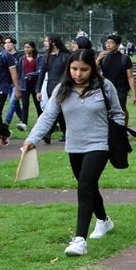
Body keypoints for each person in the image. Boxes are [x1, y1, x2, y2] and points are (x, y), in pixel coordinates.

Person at [24, 49, 123, 256]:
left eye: (84, 69)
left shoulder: (105, 87)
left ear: (93, 69)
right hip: (74, 146)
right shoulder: (62, 89)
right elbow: (48, 116)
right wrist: (32, 139)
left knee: (85, 186)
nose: (78, 74)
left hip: (99, 144)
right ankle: (104, 221)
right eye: (74, 69)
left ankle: (79, 240)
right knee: (88, 186)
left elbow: (117, 113)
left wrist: (117, 137)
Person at [37, 35, 71, 143]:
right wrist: (38, 90)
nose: (45, 43)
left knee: (56, 110)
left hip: (63, 88)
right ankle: (65, 132)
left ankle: (48, 132)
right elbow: (41, 74)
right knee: (59, 111)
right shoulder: (46, 57)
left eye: (47, 41)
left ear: (54, 43)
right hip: (50, 88)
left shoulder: (65, 56)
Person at [98, 34, 136, 126]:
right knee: (106, 109)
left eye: (111, 43)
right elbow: (94, 71)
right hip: (106, 87)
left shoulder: (125, 59)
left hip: (121, 88)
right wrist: (98, 59)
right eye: (107, 43)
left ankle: (123, 128)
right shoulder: (103, 57)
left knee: (121, 108)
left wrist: (134, 95)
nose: (108, 45)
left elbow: (130, 77)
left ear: (118, 45)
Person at [16, 41, 44, 131]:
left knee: (38, 104)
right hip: (24, 85)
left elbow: (40, 71)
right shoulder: (22, 59)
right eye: (25, 47)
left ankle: (41, 122)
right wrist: (18, 84)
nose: (26, 49)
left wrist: (30, 75)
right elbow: (19, 72)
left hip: (35, 85)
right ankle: (24, 123)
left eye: (28, 47)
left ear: (33, 48)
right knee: (24, 104)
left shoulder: (39, 58)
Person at [3, 36, 25, 131]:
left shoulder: (20, 55)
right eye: (5, 43)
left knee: (12, 102)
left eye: (9, 42)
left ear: (14, 44)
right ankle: (23, 118)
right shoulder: (4, 56)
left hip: (17, 82)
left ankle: (6, 123)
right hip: (7, 82)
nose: (7, 44)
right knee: (15, 104)